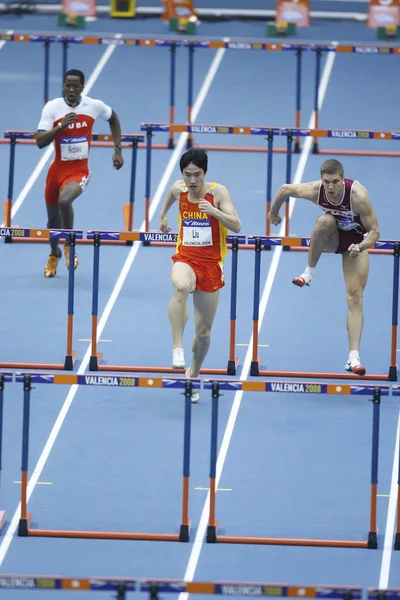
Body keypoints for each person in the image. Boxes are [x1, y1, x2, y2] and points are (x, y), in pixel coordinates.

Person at [267, 158, 380, 376]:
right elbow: (284, 189)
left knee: (355, 297)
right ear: (321, 180)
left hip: (356, 243)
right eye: (326, 181)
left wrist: (362, 245)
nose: (330, 187)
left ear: (342, 179)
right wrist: (274, 212)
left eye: (335, 182)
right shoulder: (315, 191)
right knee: (323, 221)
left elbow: (375, 231)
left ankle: (353, 358)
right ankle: (309, 272)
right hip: (334, 236)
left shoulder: (358, 196)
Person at [160, 148, 242, 403]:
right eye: (187, 175)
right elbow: (170, 196)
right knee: (181, 287)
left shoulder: (218, 193)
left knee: (204, 333)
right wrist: (163, 215)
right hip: (185, 257)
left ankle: (193, 372)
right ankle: (177, 348)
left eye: (197, 175)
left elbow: (237, 225)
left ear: (205, 173)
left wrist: (214, 212)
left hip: (211, 264)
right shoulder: (179, 189)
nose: (192, 181)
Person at [36, 69, 124, 278]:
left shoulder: (93, 106)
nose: (72, 89)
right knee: (52, 222)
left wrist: (117, 149)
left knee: (65, 201)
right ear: (64, 86)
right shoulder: (53, 107)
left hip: (79, 170)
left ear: (82, 87)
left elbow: (114, 118)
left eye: (76, 85)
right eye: (68, 85)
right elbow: (40, 142)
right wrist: (60, 127)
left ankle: (69, 246)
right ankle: (54, 253)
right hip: (56, 171)